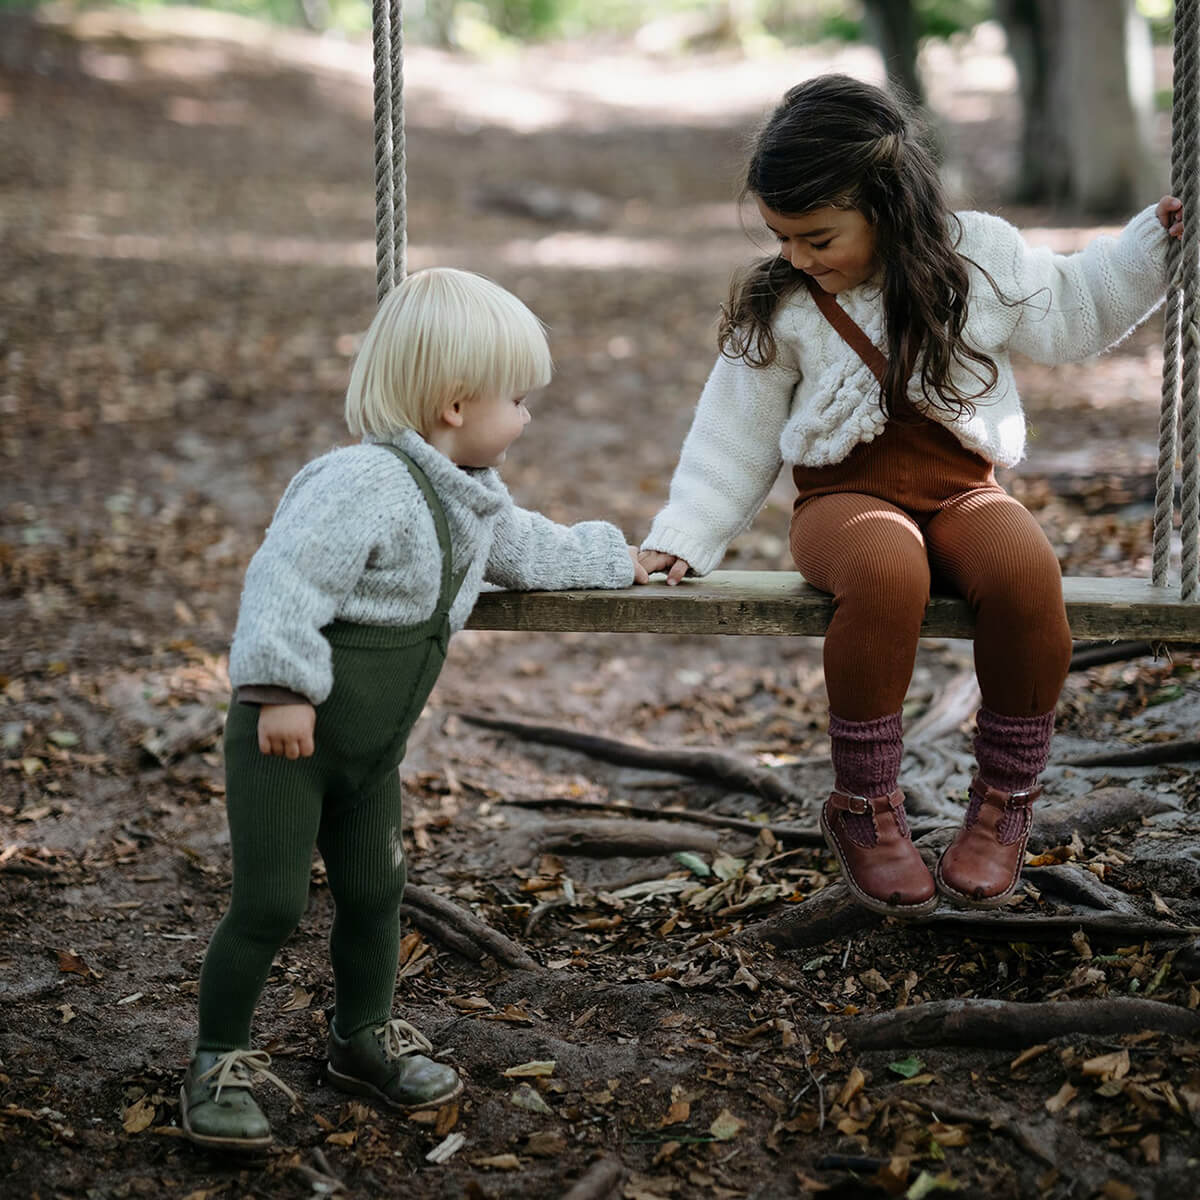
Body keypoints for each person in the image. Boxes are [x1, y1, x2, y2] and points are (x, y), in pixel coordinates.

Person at [639, 74, 1183, 919]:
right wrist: (687, 531)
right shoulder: (783, 300)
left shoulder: (981, 259)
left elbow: (1076, 311)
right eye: (783, 236)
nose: (796, 256)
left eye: (817, 237)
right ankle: (865, 807)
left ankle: (1004, 802)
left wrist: (1152, 244)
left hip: (963, 489)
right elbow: (731, 432)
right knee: (890, 570)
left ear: (888, 205)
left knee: (1026, 570)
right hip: (841, 504)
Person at [181, 267, 648, 1150]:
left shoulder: (471, 493)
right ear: (456, 405)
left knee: (377, 889)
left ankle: (360, 1037)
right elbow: (288, 576)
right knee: (271, 904)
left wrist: (625, 559)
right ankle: (217, 1056)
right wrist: (279, 689)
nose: (529, 414)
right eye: (519, 397)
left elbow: (533, 549)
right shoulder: (360, 482)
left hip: (369, 759)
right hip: (290, 742)